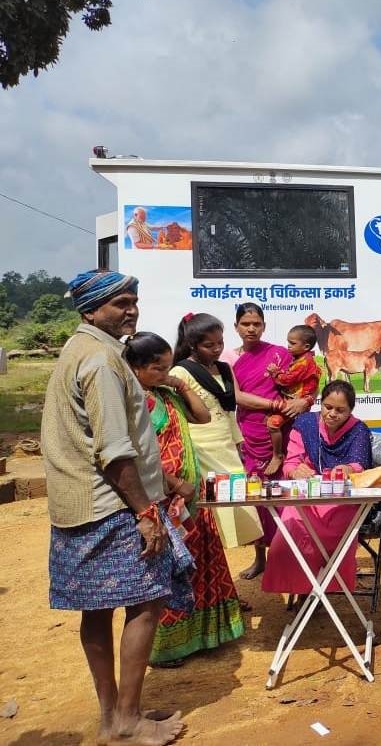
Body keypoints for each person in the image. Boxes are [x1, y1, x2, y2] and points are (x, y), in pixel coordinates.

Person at [42, 269, 191, 745]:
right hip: (113, 506)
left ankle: (115, 716)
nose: (131, 310)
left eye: (133, 301)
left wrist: (163, 479)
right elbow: (113, 449)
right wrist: (148, 511)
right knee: (147, 603)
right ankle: (125, 721)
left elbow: (111, 439)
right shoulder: (104, 360)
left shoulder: (81, 349)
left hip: (82, 502)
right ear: (91, 309)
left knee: (97, 610)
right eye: (119, 302)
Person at [125, 332, 246, 667]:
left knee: (202, 562)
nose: (166, 373)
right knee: (170, 570)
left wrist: (182, 386)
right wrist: (176, 483)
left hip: (190, 499)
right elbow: (139, 455)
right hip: (164, 500)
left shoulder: (166, 393)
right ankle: (167, 647)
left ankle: (206, 635)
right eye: (157, 368)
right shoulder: (137, 402)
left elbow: (203, 417)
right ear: (135, 369)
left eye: (168, 366)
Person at [263, 380, 373, 599]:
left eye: (340, 410)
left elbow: (359, 465)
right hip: (308, 495)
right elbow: (290, 464)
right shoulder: (305, 424)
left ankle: (323, 586)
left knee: (338, 528)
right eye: (328, 407)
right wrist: (295, 471)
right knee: (291, 523)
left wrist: (347, 468)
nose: (332, 414)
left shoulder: (358, 429)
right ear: (321, 404)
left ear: (350, 411)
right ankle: (302, 587)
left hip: (341, 499)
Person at [230, 302, 312, 579]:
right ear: (237, 327)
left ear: (264, 326)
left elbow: (306, 381)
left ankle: (289, 559)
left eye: (256, 324)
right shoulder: (229, 359)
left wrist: (305, 401)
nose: (251, 328)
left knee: (286, 494)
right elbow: (238, 397)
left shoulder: (279, 354)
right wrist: (274, 405)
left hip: (283, 433)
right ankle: (260, 558)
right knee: (258, 496)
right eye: (245, 324)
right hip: (252, 432)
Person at [170, 313, 263, 554]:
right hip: (200, 445)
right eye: (209, 345)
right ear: (193, 345)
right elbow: (179, 415)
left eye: (220, 343)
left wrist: (238, 440)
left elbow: (228, 409)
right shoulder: (181, 373)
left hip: (226, 443)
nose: (217, 349)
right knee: (214, 502)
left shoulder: (223, 368)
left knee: (236, 493)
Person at [264, 324, 322, 476]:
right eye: (288, 342)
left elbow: (287, 380)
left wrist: (275, 373)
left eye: (292, 343)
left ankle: (277, 455)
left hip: (295, 403)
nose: (288, 346)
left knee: (272, 423)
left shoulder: (305, 363)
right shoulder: (300, 358)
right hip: (291, 401)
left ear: (306, 346)